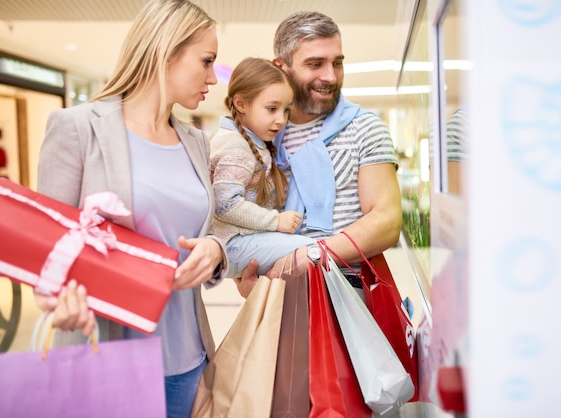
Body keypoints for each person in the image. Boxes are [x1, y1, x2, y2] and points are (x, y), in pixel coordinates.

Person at [33, 1, 226, 416]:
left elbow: (208, 228)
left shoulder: (195, 141)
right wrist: (59, 301)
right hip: (108, 356)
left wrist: (214, 250)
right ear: (165, 50)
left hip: (190, 359)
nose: (213, 77)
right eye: (207, 61)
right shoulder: (78, 128)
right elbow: (49, 252)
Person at [235, 11, 402, 296]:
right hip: (277, 296)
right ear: (282, 67)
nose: (330, 76)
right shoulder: (261, 140)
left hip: (349, 299)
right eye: (315, 64)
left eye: (337, 63)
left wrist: (310, 256)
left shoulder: (364, 128)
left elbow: (386, 221)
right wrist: (248, 275)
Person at [209, 57, 315, 278]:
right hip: (231, 244)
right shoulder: (234, 145)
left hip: (241, 241)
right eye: (272, 109)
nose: (281, 119)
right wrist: (275, 221)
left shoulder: (253, 142)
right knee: (316, 251)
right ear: (241, 104)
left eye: (285, 110)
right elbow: (225, 204)